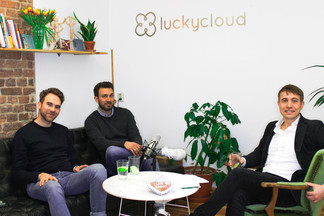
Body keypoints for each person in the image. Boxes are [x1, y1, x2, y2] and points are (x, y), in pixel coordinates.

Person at [191, 84, 324, 216]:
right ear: (278, 104)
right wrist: (242, 160)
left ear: (302, 104)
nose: (289, 105)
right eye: (284, 100)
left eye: (294, 101)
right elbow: (259, 153)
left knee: (238, 174)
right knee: (237, 195)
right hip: (265, 186)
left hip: (287, 189)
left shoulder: (314, 127)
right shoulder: (272, 127)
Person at [12, 88, 107, 216]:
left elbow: (72, 158)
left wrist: (76, 167)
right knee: (52, 186)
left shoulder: (63, 131)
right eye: (49, 104)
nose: (53, 109)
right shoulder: (23, 134)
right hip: (40, 184)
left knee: (99, 169)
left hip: (68, 178)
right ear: (39, 104)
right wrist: (39, 175)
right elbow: (17, 173)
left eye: (57, 107)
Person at [85, 81, 186, 176]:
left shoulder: (126, 114)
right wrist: (124, 144)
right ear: (96, 99)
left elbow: (136, 136)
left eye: (111, 95)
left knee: (149, 160)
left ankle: (158, 185)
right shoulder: (91, 121)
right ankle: (157, 152)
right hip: (114, 164)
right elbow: (101, 144)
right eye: (104, 96)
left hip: (135, 161)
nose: (109, 99)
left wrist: (136, 146)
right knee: (112, 151)